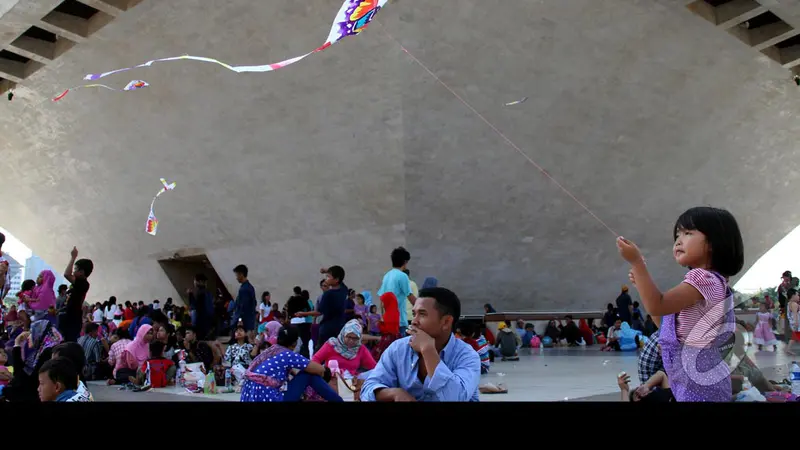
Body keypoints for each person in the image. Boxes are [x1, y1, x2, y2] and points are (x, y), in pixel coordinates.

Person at [617, 206, 743, 402]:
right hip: (694, 382)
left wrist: (637, 264)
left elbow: (657, 305)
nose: (678, 240)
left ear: (713, 243)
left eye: (688, 233)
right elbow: (664, 324)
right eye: (677, 234)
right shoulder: (709, 282)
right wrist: (641, 282)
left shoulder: (703, 279)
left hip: (700, 385)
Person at [361, 287, 481, 402]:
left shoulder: (467, 356)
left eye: (422, 314)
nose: (414, 321)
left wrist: (428, 350)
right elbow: (368, 388)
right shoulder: (398, 349)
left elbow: (455, 398)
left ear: (446, 322)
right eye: (414, 314)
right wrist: (394, 393)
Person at [240, 326, 343, 402]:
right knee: (308, 375)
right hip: (268, 398)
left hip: (248, 396)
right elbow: (319, 369)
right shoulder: (287, 354)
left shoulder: (271, 350)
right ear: (295, 343)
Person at [2, 320, 62, 402]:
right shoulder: (41, 351)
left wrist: (17, 344)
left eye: (31, 332)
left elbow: (24, 379)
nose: (28, 337)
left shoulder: (47, 354)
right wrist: (17, 345)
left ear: (39, 333)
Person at [296, 266, 349, 351]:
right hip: (340, 326)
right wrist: (327, 271)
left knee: (321, 352)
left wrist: (303, 314)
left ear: (336, 280)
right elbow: (339, 275)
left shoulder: (328, 294)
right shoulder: (344, 290)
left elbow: (319, 312)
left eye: (328, 277)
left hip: (327, 328)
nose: (326, 279)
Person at [312, 319, 376, 378]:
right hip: (331, 379)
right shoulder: (332, 344)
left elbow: (374, 366)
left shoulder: (360, 348)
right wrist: (324, 373)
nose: (351, 340)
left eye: (355, 338)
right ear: (343, 334)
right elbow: (315, 359)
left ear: (359, 338)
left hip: (352, 381)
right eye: (348, 337)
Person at [377, 247, 416, 336]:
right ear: (405, 262)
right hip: (399, 320)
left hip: (388, 320)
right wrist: (422, 307)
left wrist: (383, 317)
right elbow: (410, 296)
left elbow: (382, 299)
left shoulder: (387, 275)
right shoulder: (403, 276)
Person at [59, 247, 93, 343]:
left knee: (67, 342)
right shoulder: (77, 284)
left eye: (75, 269)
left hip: (72, 319)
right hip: (67, 317)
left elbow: (66, 274)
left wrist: (73, 257)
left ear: (82, 272)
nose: (73, 271)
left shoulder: (83, 284)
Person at [371, 292, 400, 361]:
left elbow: (388, 329)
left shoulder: (388, 315)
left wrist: (379, 324)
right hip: (393, 338)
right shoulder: (394, 312)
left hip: (388, 339)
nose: (382, 304)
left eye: (383, 302)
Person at [188, 273, 215, 341]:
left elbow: (195, 306)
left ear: (199, 281)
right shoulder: (208, 292)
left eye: (195, 280)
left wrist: (190, 295)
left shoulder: (200, 293)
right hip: (209, 321)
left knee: (201, 341)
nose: (194, 282)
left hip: (201, 322)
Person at [233, 265, 257, 339]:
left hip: (245, 322)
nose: (236, 278)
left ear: (241, 274)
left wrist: (240, 319)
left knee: (245, 341)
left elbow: (243, 306)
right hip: (250, 321)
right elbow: (254, 303)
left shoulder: (243, 289)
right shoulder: (250, 287)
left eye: (237, 275)